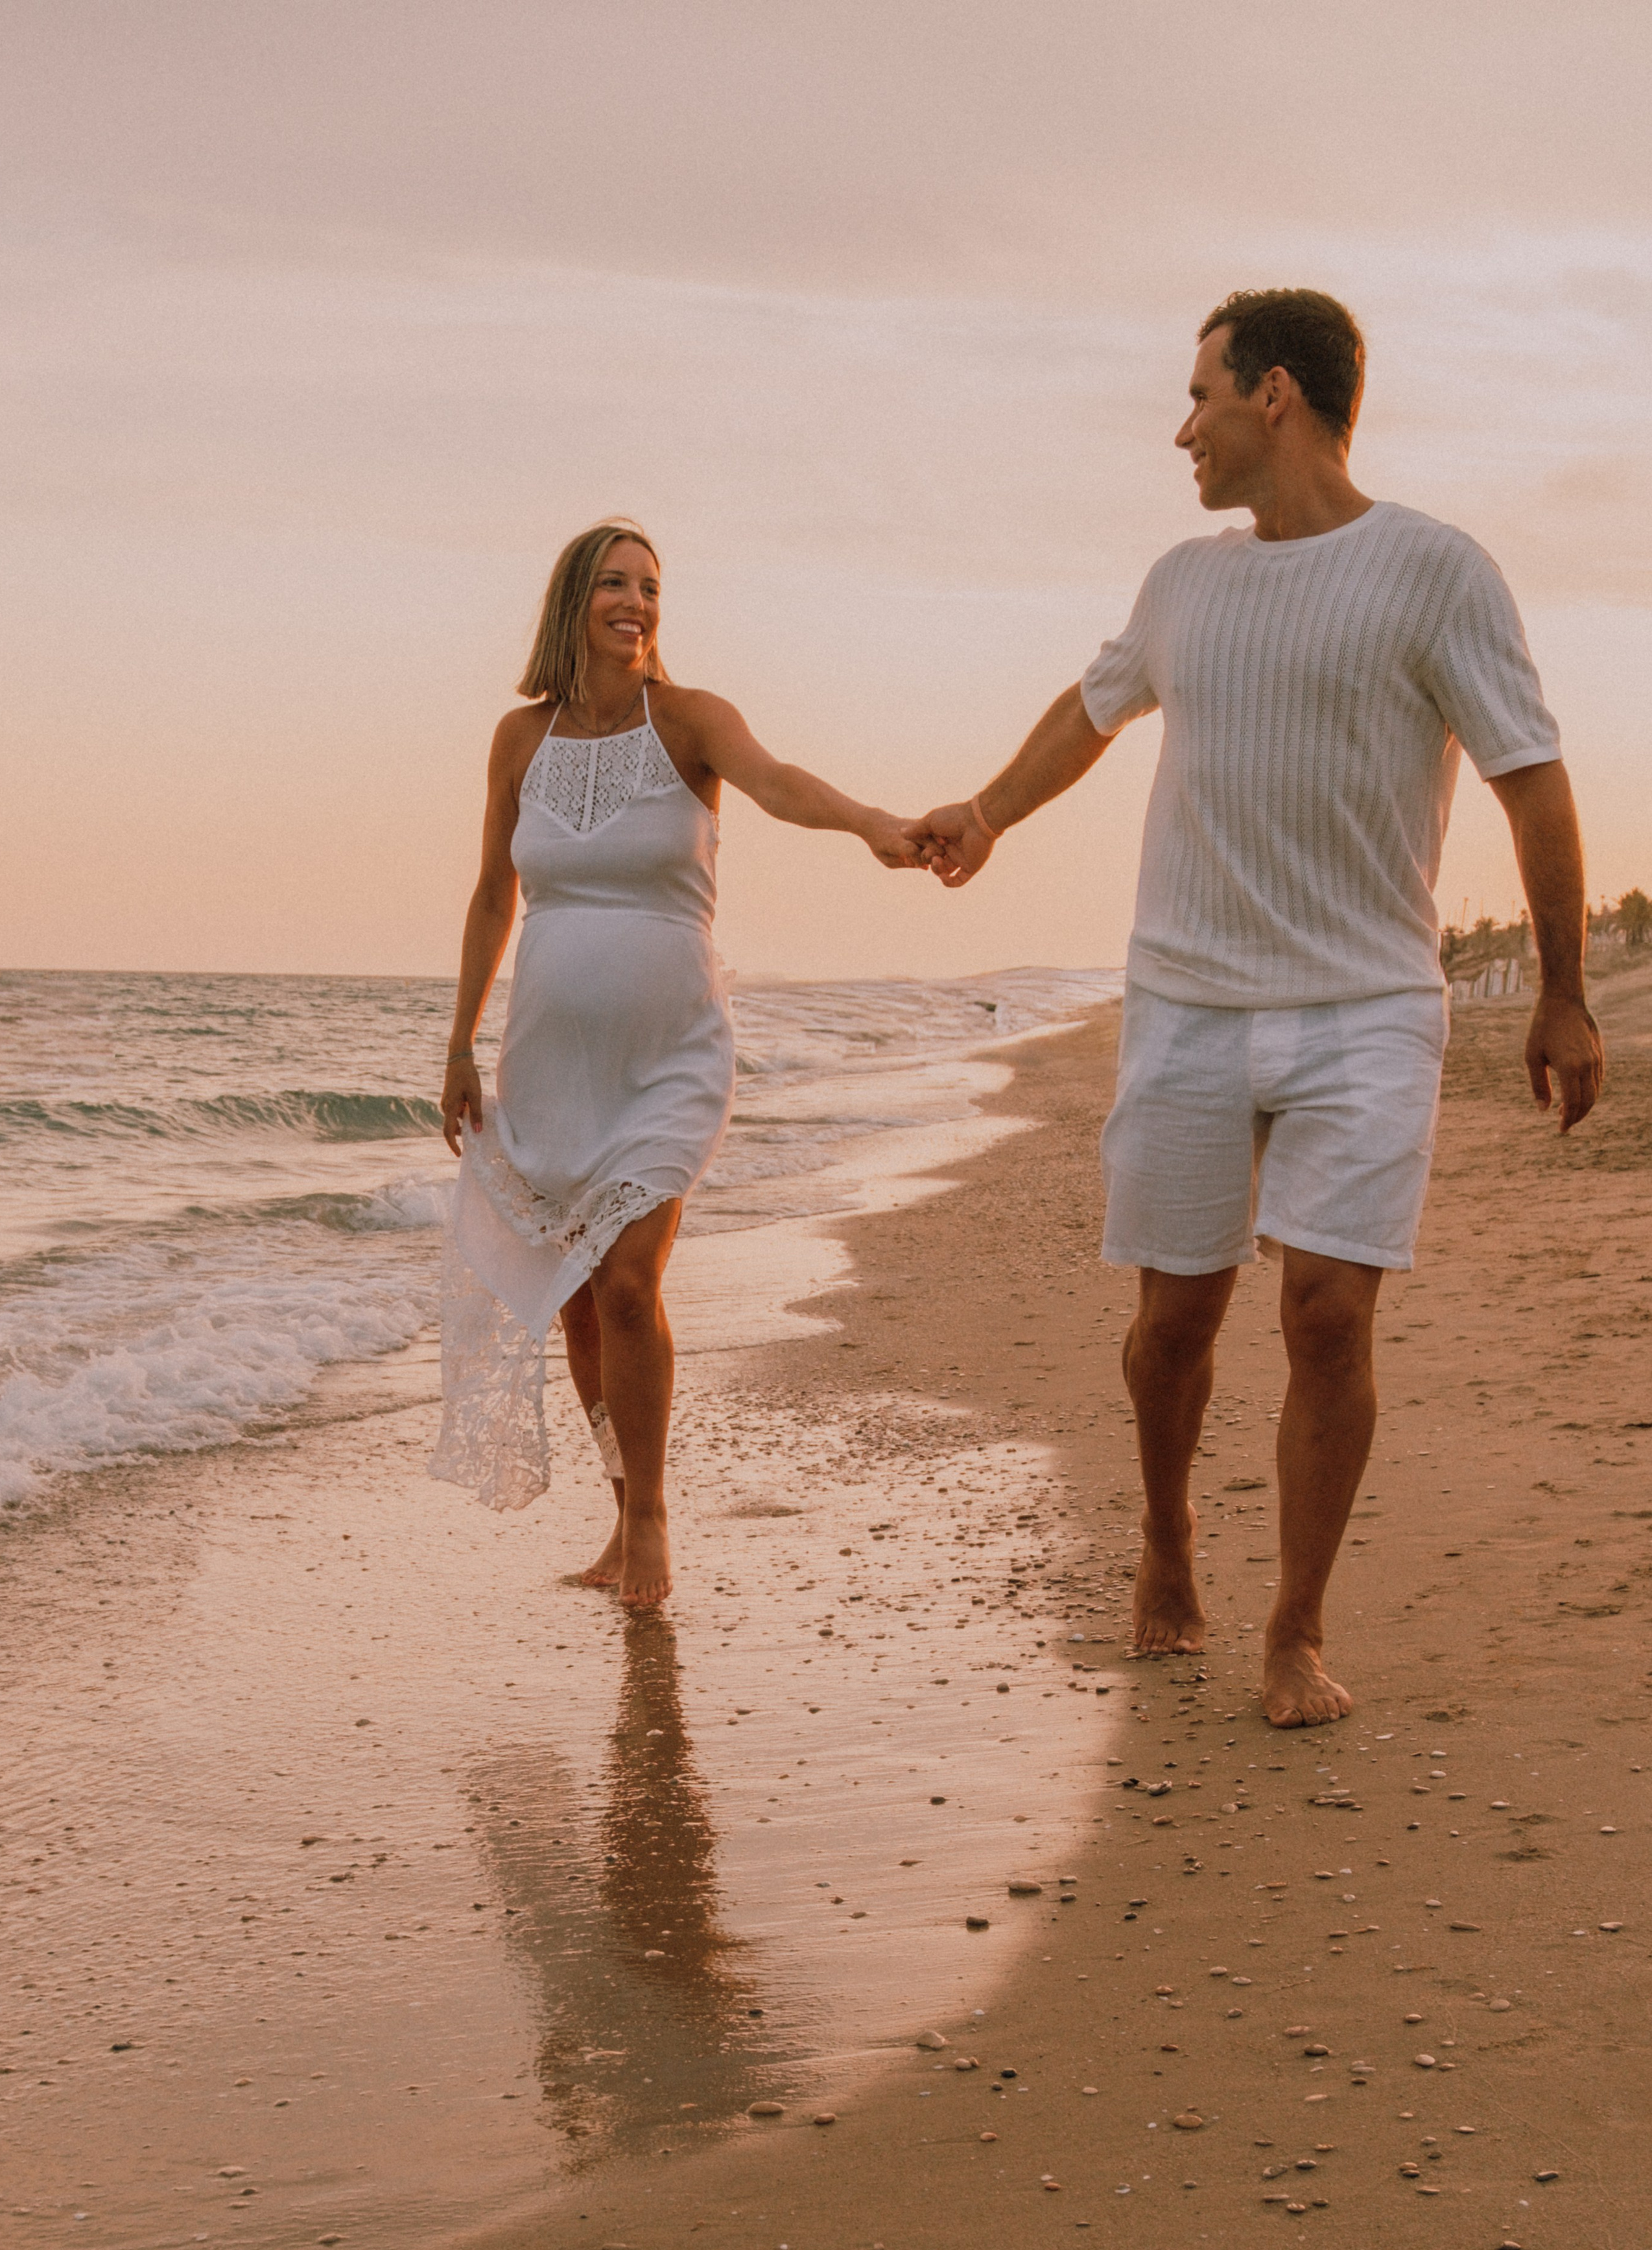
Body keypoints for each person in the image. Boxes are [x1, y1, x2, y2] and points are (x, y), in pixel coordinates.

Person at [917, 289, 1604, 1727]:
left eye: (1199, 398)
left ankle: (1292, 1630)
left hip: (1364, 1003)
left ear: (1273, 395)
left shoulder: (1432, 571)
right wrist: (983, 813)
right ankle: (1167, 1540)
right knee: (1174, 1321)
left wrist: (1560, 993)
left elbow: (1528, 775)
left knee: (1325, 1315)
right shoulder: (1181, 582)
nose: (1183, 429)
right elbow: (1092, 710)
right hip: (1186, 1000)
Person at [432, 519, 923, 1604]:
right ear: (574, 601)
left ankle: (651, 1525)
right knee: (574, 1301)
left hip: (671, 1058)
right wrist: (460, 1041)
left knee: (627, 1281)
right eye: (614, 583)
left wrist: (870, 823)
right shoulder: (520, 741)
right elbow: (490, 895)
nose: (636, 603)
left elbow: (780, 782)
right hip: (550, 1066)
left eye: (650, 587)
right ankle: (621, 1515)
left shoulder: (693, 721)